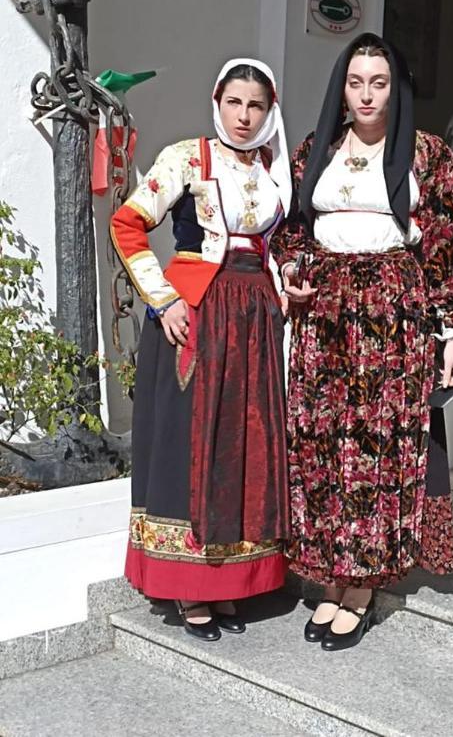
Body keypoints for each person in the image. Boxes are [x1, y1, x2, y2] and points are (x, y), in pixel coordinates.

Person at [271, 33, 453, 651]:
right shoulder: (317, 150)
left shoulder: (427, 156)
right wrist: (293, 270)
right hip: (322, 316)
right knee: (320, 442)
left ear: (397, 87)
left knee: (375, 449)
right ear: (342, 85)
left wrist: (450, 332)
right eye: (356, 82)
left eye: (379, 82)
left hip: (390, 318)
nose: (366, 95)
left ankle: (361, 587)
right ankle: (331, 574)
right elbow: (289, 230)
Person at [111, 58, 292, 641]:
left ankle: (232, 578)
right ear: (218, 100)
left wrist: (286, 282)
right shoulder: (186, 157)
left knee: (245, 443)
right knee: (193, 443)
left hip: (255, 322)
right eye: (235, 102)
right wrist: (162, 300)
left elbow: (276, 245)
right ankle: (187, 584)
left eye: (256, 106)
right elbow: (127, 224)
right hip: (197, 315)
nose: (243, 116)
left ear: (269, 112)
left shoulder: (273, 170)